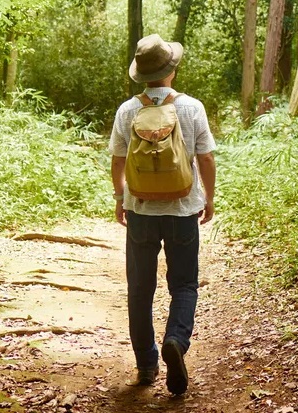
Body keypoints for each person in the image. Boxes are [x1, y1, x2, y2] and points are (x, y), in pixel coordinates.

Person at [109, 33, 217, 396]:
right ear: (171, 70)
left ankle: (146, 365)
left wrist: (120, 198)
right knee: (184, 284)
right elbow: (205, 157)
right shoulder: (191, 107)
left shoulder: (128, 110)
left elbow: (118, 160)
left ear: (142, 73)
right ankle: (176, 340)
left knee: (139, 289)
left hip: (140, 209)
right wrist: (209, 198)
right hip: (183, 207)